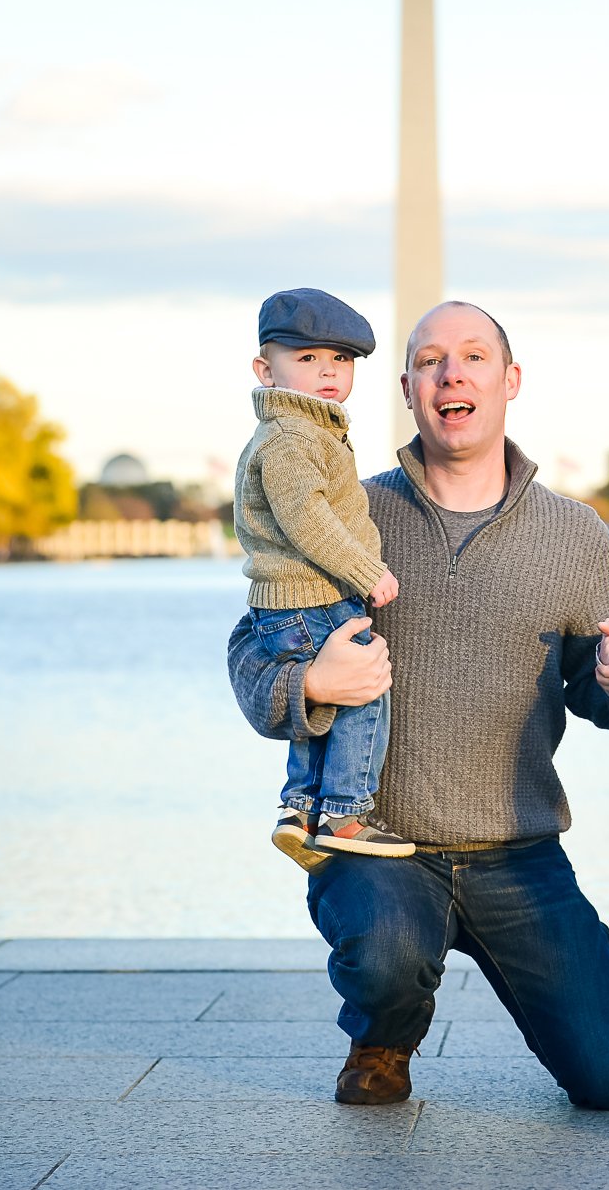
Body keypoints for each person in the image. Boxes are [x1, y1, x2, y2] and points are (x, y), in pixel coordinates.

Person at [228, 300, 609, 1110]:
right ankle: (383, 1032)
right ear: (406, 387)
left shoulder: (576, 535)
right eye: (430, 360)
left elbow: (596, 686)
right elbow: (252, 647)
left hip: (518, 852)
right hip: (379, 846)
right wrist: (311, 687)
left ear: (510, 381)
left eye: (472, 356)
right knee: (388, 953)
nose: (452, 372)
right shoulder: (343, 512)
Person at [234, 289, 408, 864]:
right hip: (314, 598)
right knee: (363, 692)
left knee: (324, 707)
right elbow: (305, 516)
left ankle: (301, 809)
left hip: (294, 601)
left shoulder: (308, 431)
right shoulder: (292, 436)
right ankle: (346, 813)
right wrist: (366, 569)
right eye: (306, 359)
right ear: (266, 369)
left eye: (340, 360)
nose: (328, 372)